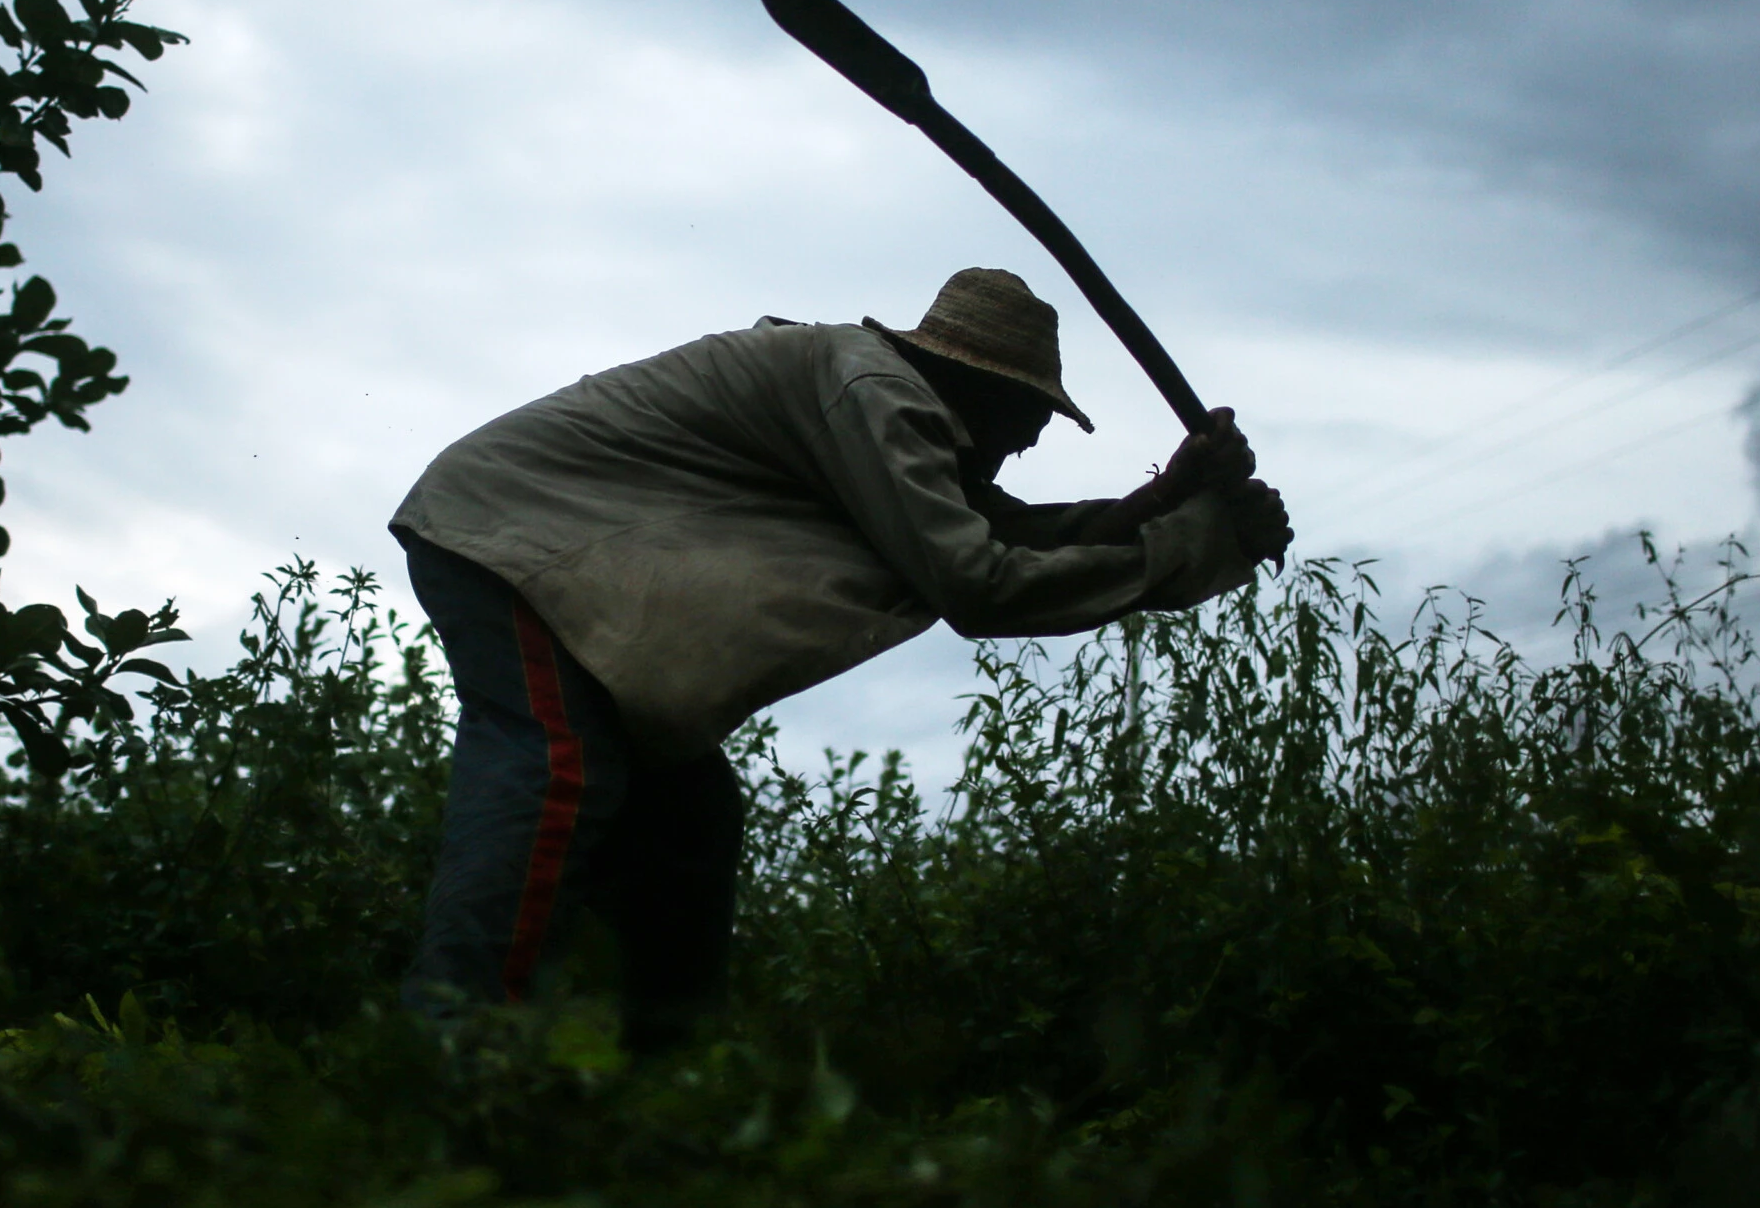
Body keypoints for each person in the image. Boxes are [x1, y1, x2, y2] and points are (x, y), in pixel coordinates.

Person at [389, 265, 1291, 1049]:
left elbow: (1008, 533)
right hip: (514, 542)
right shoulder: (877, 393)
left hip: (552, 563)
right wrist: (1196, 547)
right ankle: (460, 1053)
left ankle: (652, 1098)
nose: (1031, 442)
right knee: (558, 770)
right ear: (979, 387)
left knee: (686, 825)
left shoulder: (893, 418)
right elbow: (980, 580)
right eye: (1031, 417)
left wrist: (1172, 500)